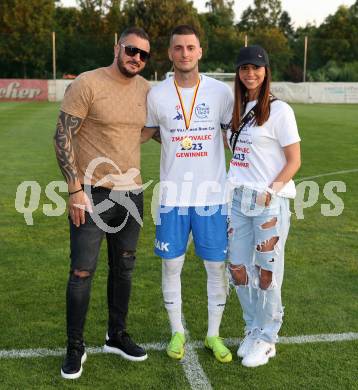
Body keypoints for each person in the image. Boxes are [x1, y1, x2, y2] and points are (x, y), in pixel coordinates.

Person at [54, 27, 151, 380]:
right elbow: (62, 134)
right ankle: (75, 346)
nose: (136, 58)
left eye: (143, 54)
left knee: (124, 267)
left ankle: (116, 335)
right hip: (92, 192)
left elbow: (150, 129)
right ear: (117, 48)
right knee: (82, 271)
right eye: (131, 50)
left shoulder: (146, 90)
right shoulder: (88, 82)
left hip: (132, 192)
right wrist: (74, 190)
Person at [141, 25, 233, 363]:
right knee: (171, 266)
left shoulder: (221, 93)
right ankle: (176, 331)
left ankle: (213, 335)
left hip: (212, 196)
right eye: (178, 48)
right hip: (172, 197)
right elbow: (151, 132)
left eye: (190, 47)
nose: (184, 53)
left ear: (199, 52)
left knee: (215, 268)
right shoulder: (157, 95)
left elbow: (232, 137)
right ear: (170, 53)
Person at [226, 45, 301, 367]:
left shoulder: (279, 110)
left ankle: (268, 338)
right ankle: (252, 328)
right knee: (239, 270)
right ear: (238, 73)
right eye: (244, 68)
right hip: (237, 199)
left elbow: (294, 160)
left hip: (268, 201)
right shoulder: (238, 108)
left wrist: (271, 191)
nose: (250, 73)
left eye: (256, 68)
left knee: (267, 272)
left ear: (266, 71)